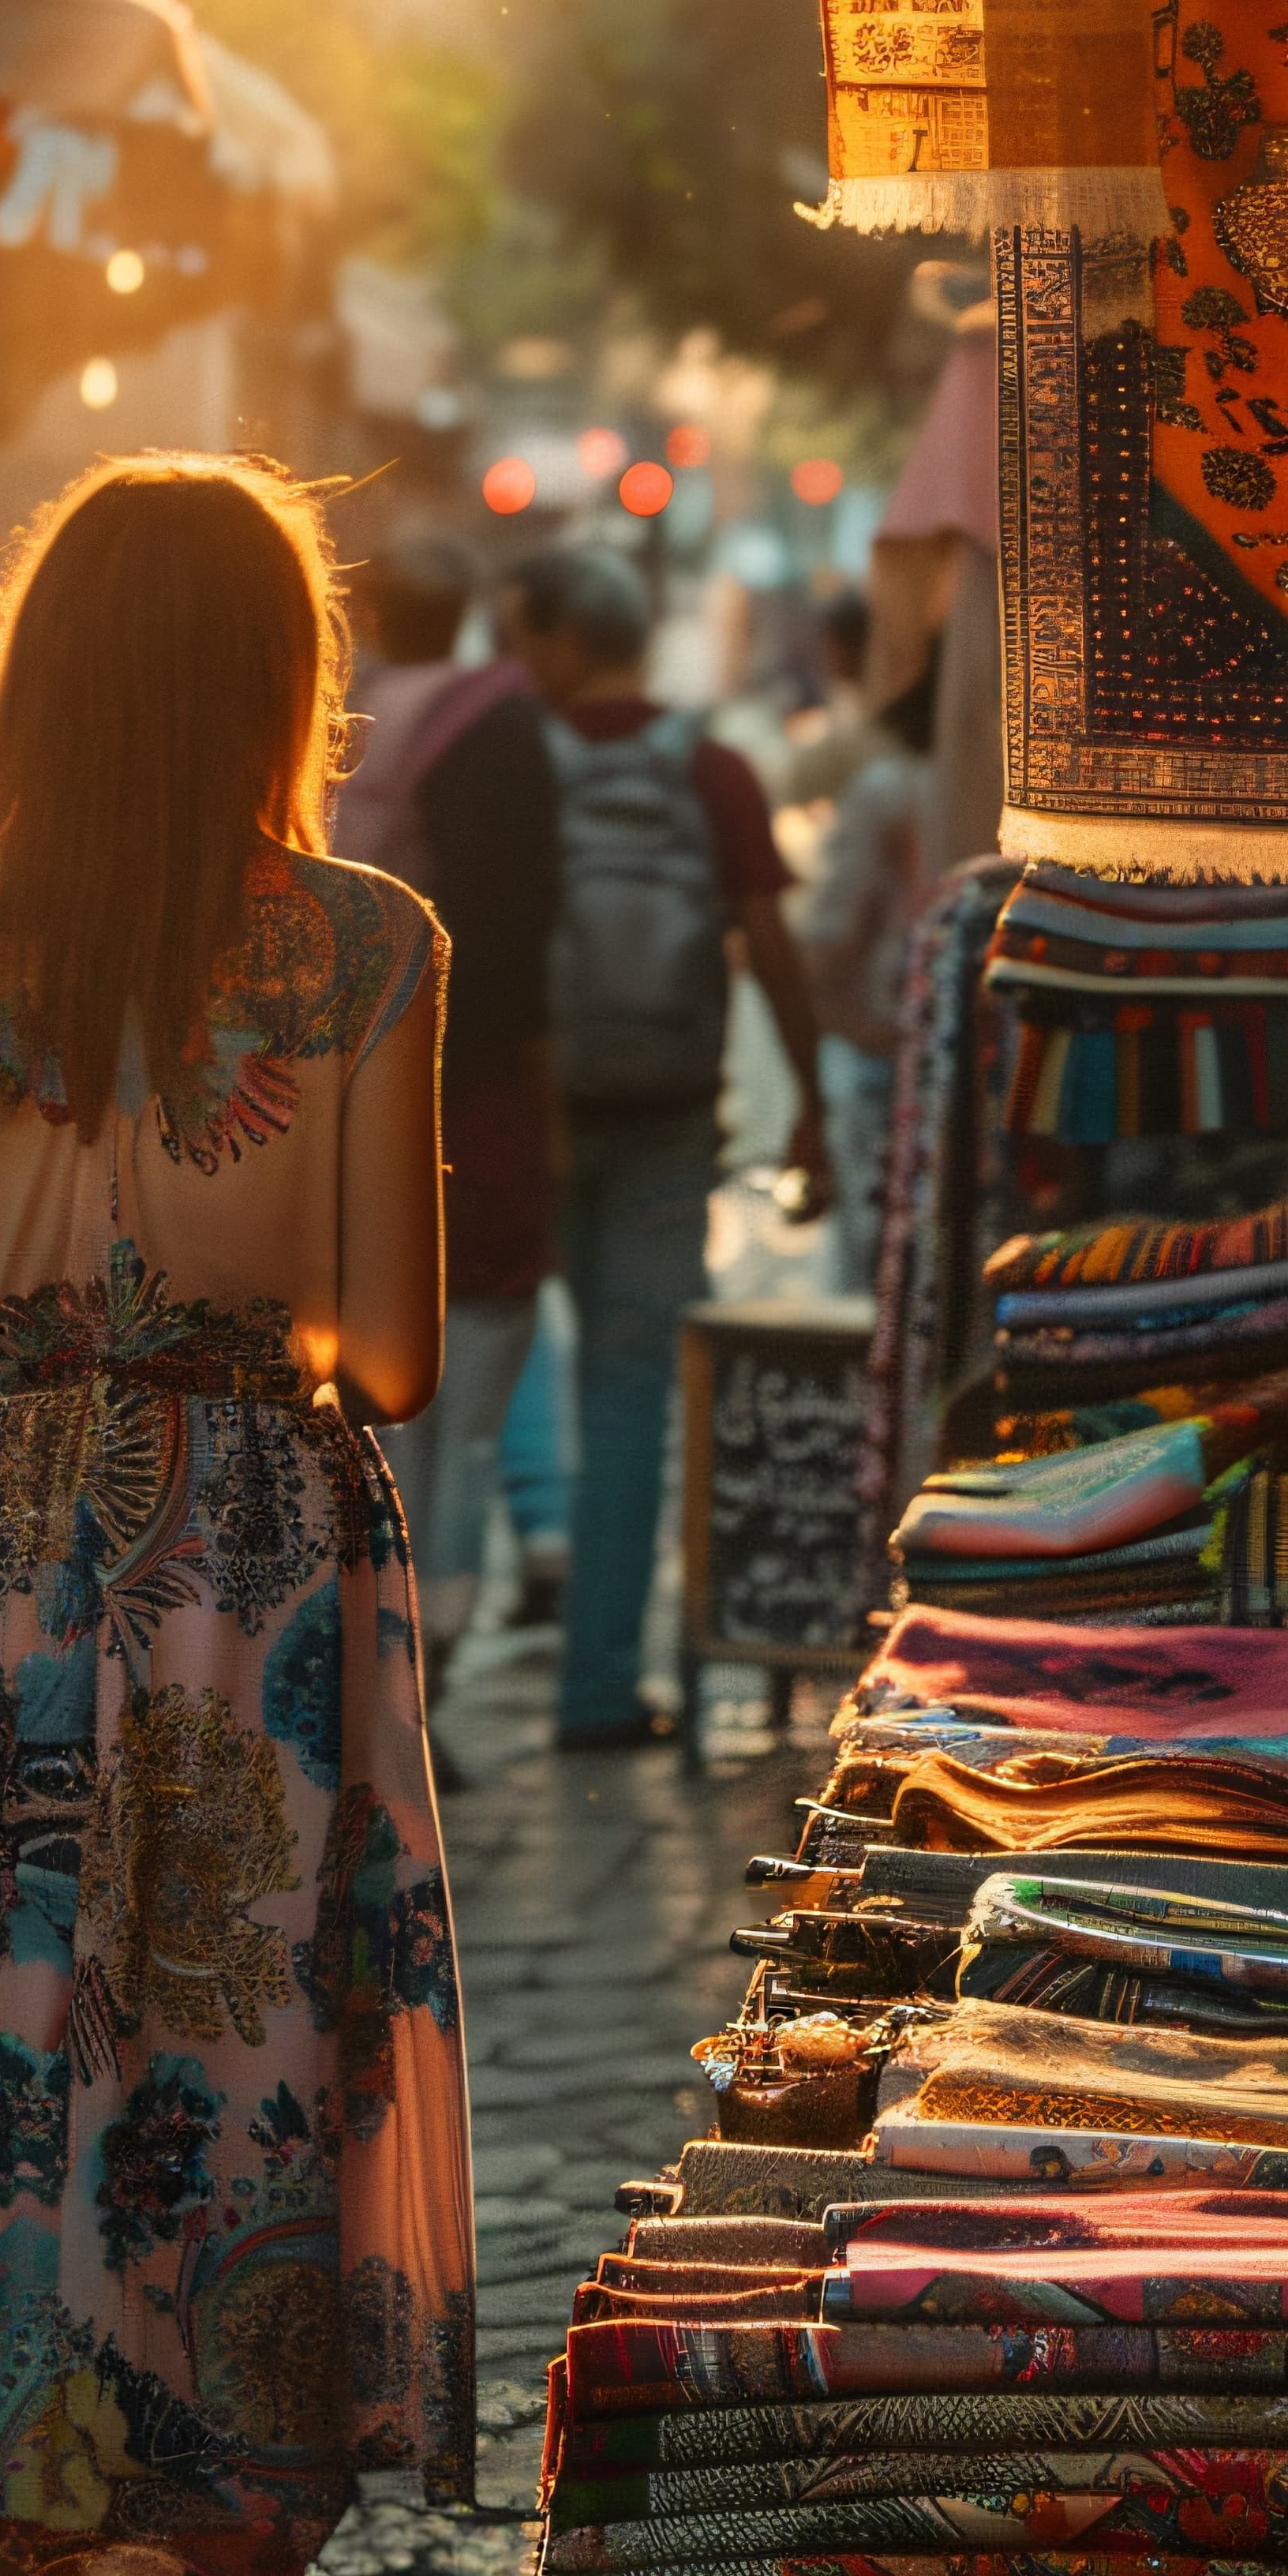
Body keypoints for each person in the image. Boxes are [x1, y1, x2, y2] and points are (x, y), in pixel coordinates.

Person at [0, 454, 468, 2576]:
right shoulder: (371, 948)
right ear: (284, 680)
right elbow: (391, 1353)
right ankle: (216, 2550)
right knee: (241, 2068)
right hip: (255, 1569)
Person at [509, 544, 830, 1749]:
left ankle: (421, 1685)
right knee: (633, 1396)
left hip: (536, 1110)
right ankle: (598, 1688)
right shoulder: (711, 767)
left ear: (561, 644)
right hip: (667, 1113)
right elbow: (769, 942)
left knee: (481, 1380)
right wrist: (811, 1100)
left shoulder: (521, 765)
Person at [335, 527, 561, 1670]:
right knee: (458, 1404)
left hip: (335, 1083)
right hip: (462, 1094)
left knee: (375, 1407)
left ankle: (377, 1637)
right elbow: (518, 939)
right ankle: (431, 1644)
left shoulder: (343, 721)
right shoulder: (494, 724)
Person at [799, 636, 939, 1293]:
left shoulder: (890, 788)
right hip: (977, 1048)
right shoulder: (1013, 788)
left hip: (883, 1043)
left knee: (873, 1253)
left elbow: (834, 931)